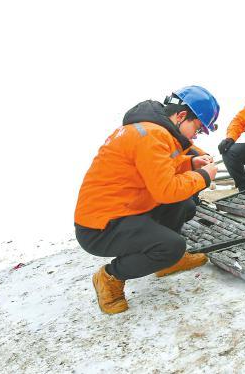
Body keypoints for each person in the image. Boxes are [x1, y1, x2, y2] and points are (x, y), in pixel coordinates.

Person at [75, 85, 220, 314]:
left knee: (184, 204)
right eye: (198, 128)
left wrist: (190, 164)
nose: (196, 135)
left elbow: (157, 169)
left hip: (124, 209)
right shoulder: (152, 135)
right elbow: (166, 190)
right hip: (100, 227)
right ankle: (109, 277)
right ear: (181, 116)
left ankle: (168, 263)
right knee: (171, 246)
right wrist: (203, 176)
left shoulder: (150, 130)